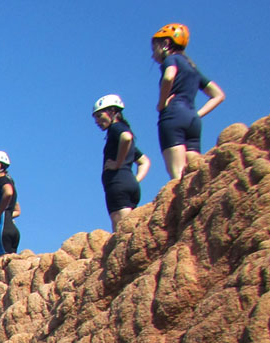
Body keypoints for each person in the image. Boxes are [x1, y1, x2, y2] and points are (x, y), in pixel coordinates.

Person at [152, 23, 225, 180]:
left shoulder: (171, 59)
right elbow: (218, 95)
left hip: (173, 116)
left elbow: (169, 76)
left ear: (165, 44)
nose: (153, 55)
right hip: (192, 120)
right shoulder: (192, 67)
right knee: (194, 172)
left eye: (154, 49)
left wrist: (161, 103)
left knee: (177, 175)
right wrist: (197, 114)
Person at [92, 94, 152, 231]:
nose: (97, 121)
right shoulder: (119, 139)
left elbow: (126, 137)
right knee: (128, 228)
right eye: (95, 117)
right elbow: (144, 161)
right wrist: (135, 180)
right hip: (128, 184)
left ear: (112, 112)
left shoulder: (116, 128)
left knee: (122, 231)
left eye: (99, 115)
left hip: (117, 185)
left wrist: (117, 164)